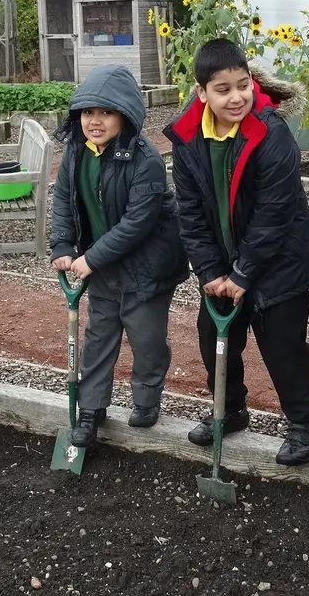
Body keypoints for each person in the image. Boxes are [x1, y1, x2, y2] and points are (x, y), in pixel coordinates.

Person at [164, 37, 309, 466]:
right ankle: (229, 410)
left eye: (242, 85)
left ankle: (305, 424)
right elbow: (191, 212)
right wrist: (211, 272)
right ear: (202, 93)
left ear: (251, 82)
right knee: (215, 338)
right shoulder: (187, 138)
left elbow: (275, 213)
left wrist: (244, 273)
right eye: (223, 89)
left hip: (279, 263)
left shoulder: (270, 134)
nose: (236, 97)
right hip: (222, 263)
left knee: (283, 346)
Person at [50, 64, 189, 446]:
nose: (95, 121)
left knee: (146, 338)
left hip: (148, 267)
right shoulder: (76, 152)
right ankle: (91, 410)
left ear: (125, 114)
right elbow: (63, 198)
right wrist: (63, 246)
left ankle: (146, 398)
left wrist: (90, 259)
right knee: (99, 336)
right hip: (103, 266)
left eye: (106, 112)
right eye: (88, 112)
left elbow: (136, 224)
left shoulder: (145, 160)